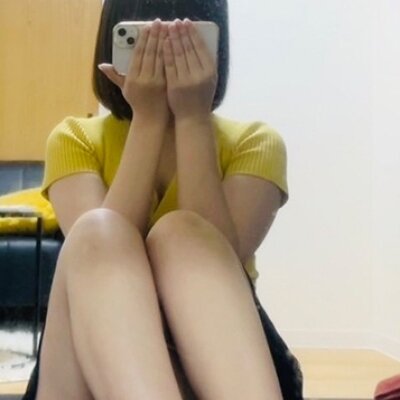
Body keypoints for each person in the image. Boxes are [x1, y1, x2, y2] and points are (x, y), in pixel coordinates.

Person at [21, 0, 303, 399]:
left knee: (184, 233)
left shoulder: (256, 143)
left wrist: (192, 119)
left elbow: (223, 260)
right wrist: (148, 119)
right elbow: (99, 262)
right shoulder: (74, 139)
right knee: (99, 230)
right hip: (89, 363)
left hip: (219, 363)